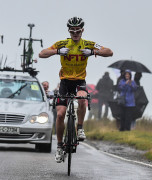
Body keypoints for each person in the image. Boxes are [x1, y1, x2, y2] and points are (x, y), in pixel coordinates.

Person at [39, 16, 113, 163]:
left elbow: (109, 52)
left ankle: (80, 128)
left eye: (78, 31)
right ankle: (60, 147)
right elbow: (42, 54)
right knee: (60, 114)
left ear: (82, 31)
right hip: (65, 82)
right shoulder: (62, 43)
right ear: (69, 31)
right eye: (72, 31)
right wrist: (57, 52)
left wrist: (93, 52)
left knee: (82, 99)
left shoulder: (88, 44)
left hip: (80, 81)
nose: (75, 34)